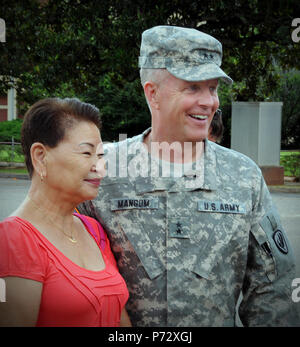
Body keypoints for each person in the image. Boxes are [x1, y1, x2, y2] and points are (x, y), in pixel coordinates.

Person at [78, 26, 299, 326]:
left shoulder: (243, 176)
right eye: (193, 87)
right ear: (152, 94)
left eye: (213, 88)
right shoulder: (103, 170)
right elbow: (63, 270)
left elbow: (273, 290)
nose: (209, 102)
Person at [0, 97, 131, 327]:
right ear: (41, 156)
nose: (100, 167)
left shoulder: (94, 230)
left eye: (100, 156)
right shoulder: (14, 239)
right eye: (86, 153)